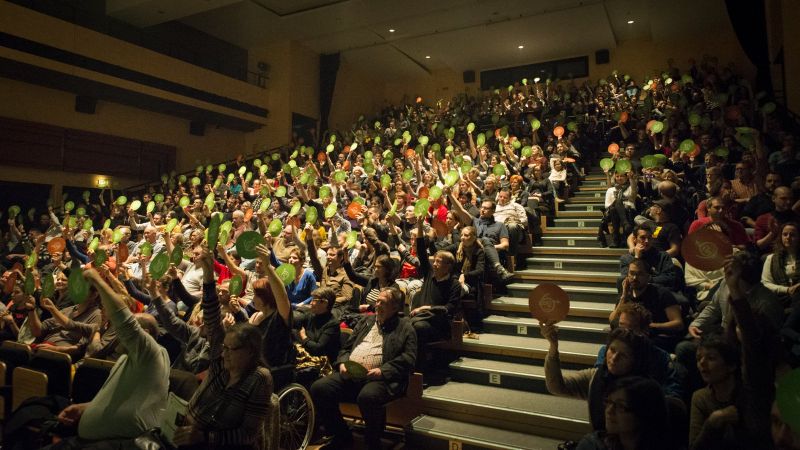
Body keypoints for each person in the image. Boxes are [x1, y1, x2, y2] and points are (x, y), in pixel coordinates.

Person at [53, 269, 170, 444]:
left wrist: (98, 280)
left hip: (120, 442)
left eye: (120, 332)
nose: (117, 334)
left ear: (144, 334)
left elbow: (124, 320)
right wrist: (85, 408)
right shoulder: (126, 358)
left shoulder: (153, 353)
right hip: (92, 439)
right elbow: (113, 400)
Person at [174, 246, 273, 449]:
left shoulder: (258, 379)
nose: (224, 353)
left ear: (249, 352)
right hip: (187, 431)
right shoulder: (221, 361)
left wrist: (204, 437)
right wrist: (209, 274)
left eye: (231, 349)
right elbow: (211, 316)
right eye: (224, 348)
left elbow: (247, 435)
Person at [310, 287, 416, 450]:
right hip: (351, 373)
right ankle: (341, 435)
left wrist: (383, 371)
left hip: (382, 378)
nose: (377, 304)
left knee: (368, 397)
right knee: (319, 388)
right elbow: (345, 348)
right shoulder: (366, 321)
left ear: (395, 307)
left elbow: (409, 358)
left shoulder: (405, 327)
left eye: (383, 302)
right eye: (377, 300)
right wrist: (343, 363)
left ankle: (372, 442)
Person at [576, 376, 673, 450]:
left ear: (644, 413)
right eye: (608, 402)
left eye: (620, 406)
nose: (609, 410)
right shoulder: (593, 445)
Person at [611, 259, 684, 352]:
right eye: (631, 273)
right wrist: (624, 296)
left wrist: (650, 326)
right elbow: (613, 321)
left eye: (639, 274)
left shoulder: (662, 293)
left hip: (655, 339)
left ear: (648, 277)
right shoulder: (625, 295)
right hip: (630, 336)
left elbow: (678, 323)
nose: (634, 278)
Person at [688, 334, 741, 449]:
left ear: (731, 365)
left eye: (711, 358)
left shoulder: (747, 396)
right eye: (698, 358)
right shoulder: (700, 398)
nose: (701, 363)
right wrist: (713, 421)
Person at [762, 222, 800, 307]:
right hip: (780, 298)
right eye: (785, 234)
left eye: (792, 235)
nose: (788, 237)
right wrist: (787, 290)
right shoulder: (771, 258)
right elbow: (766, 283)